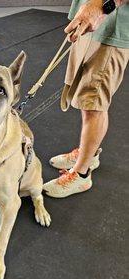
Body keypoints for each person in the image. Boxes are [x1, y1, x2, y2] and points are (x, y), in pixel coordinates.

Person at [43, 0, 129, 198]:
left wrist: (104, 5)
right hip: (90, 16)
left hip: (110, 21)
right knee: (86, 98)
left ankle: (81, 175)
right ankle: (87, 155)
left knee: (94, 104)